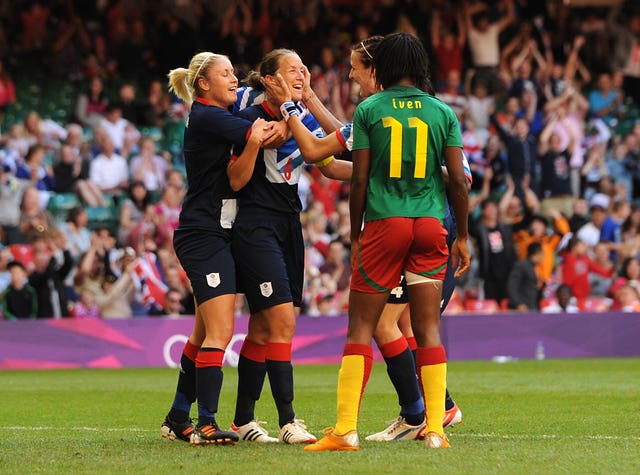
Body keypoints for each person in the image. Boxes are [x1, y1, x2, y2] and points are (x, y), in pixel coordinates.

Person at [264, 36, 467, 442]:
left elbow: (350, 167)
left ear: (378, 69)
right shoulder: (441, 111)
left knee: (369, 325)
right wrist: (464, 235)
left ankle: (358, 426)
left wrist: (292, 106)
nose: (352, 74)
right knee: (417, 328)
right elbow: (460, 178)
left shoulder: (372, 111)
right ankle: (431, 424)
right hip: (431, 228)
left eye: (356, 67)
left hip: (387, 224)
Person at [229, 48, 350, 445]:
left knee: (263, 327)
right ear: (269, 79)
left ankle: (242, 421)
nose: (301, 76)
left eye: (303, 69)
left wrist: (377, 174)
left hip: (287, 224)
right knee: (282, 323)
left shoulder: (302, 118)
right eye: (292, 71)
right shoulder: (249, 113)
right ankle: (288, 421)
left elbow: (330, 164)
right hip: (255, 223)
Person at [160, 51, 276, 446]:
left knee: (202, 333)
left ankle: (179, 416)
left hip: (215, 231)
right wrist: (281, 104)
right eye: (225, 74)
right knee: (222, 331)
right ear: (204, 84)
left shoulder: (213, 117)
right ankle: (207, 424)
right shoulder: (208, 115)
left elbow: (253, 136)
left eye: (234, 72)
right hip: (203, 233)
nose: (234, 78)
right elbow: (256, 126)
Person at [507, 242, 543, 311]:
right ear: (538, 253)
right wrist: (518, 303)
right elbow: (512, 286)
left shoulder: (534, 267)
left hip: (531, 307)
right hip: (522, 308)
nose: (543, 256)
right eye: (542, 253)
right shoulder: (521, 266)